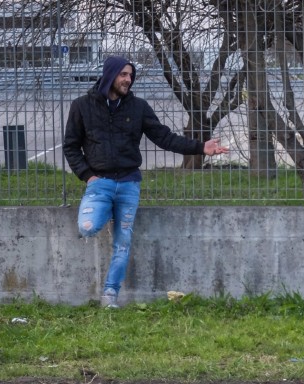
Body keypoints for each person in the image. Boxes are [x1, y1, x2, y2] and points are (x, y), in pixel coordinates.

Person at [63, 56, 229, 308]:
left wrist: (200, 147)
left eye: (130, 75)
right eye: (123, 75)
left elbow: (164, 138)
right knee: (88, 227)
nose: (128, 80)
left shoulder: (138, 107)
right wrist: (88, 176)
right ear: (110, 75)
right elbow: (71, 146)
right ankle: (106, 209)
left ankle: (109, 296)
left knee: (123, 243)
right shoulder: (82, 106)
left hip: (129, 184)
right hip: (99, 183)